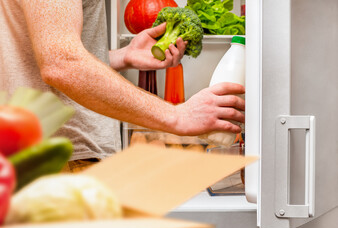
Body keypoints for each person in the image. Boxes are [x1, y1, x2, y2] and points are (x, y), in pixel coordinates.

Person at [0, 0, 245, 172]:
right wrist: (177, 115)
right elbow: (61, 63)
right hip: (63, 162)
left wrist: (122, 56)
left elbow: (43, 53)